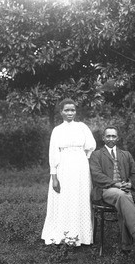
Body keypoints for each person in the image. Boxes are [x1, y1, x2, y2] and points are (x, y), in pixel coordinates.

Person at [89, 126, 135, 253]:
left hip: (124, 191)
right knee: (124, 196)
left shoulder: (126, 154)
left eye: (113, 136)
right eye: (108, 136)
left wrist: (130, 184)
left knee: (125, 197)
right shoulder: (96, 155)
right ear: (103, 138)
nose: (111, 139)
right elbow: (96, 175)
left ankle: (126, 247)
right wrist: (115, 184)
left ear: (117, 138)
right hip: (105, 190)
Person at [41, 98, 96, 246]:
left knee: (80, 197)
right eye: (66, 110)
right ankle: (62, 234)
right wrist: (54, 176)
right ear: (61, 112)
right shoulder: (57, 130)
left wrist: (85, 158)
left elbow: (91, 145)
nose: (70, 113)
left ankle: (80, 236)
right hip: (63, 167)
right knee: (63, 198)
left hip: (81, 166)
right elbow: (53, 153)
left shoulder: (82, 127)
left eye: (72, 110)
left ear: (76, 111)